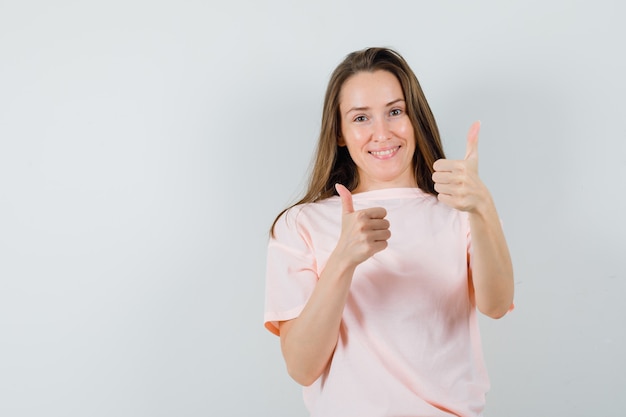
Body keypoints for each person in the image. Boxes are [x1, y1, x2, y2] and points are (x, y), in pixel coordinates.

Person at [264, 47, 514, 417]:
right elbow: (302, 367)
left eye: (395, 112)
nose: (381, 133)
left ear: (416, 119)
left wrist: (482, 208)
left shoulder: (460, 210)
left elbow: (495, 306)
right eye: (361, 117)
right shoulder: (300, 224)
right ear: (340, 133)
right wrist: (343, 261)